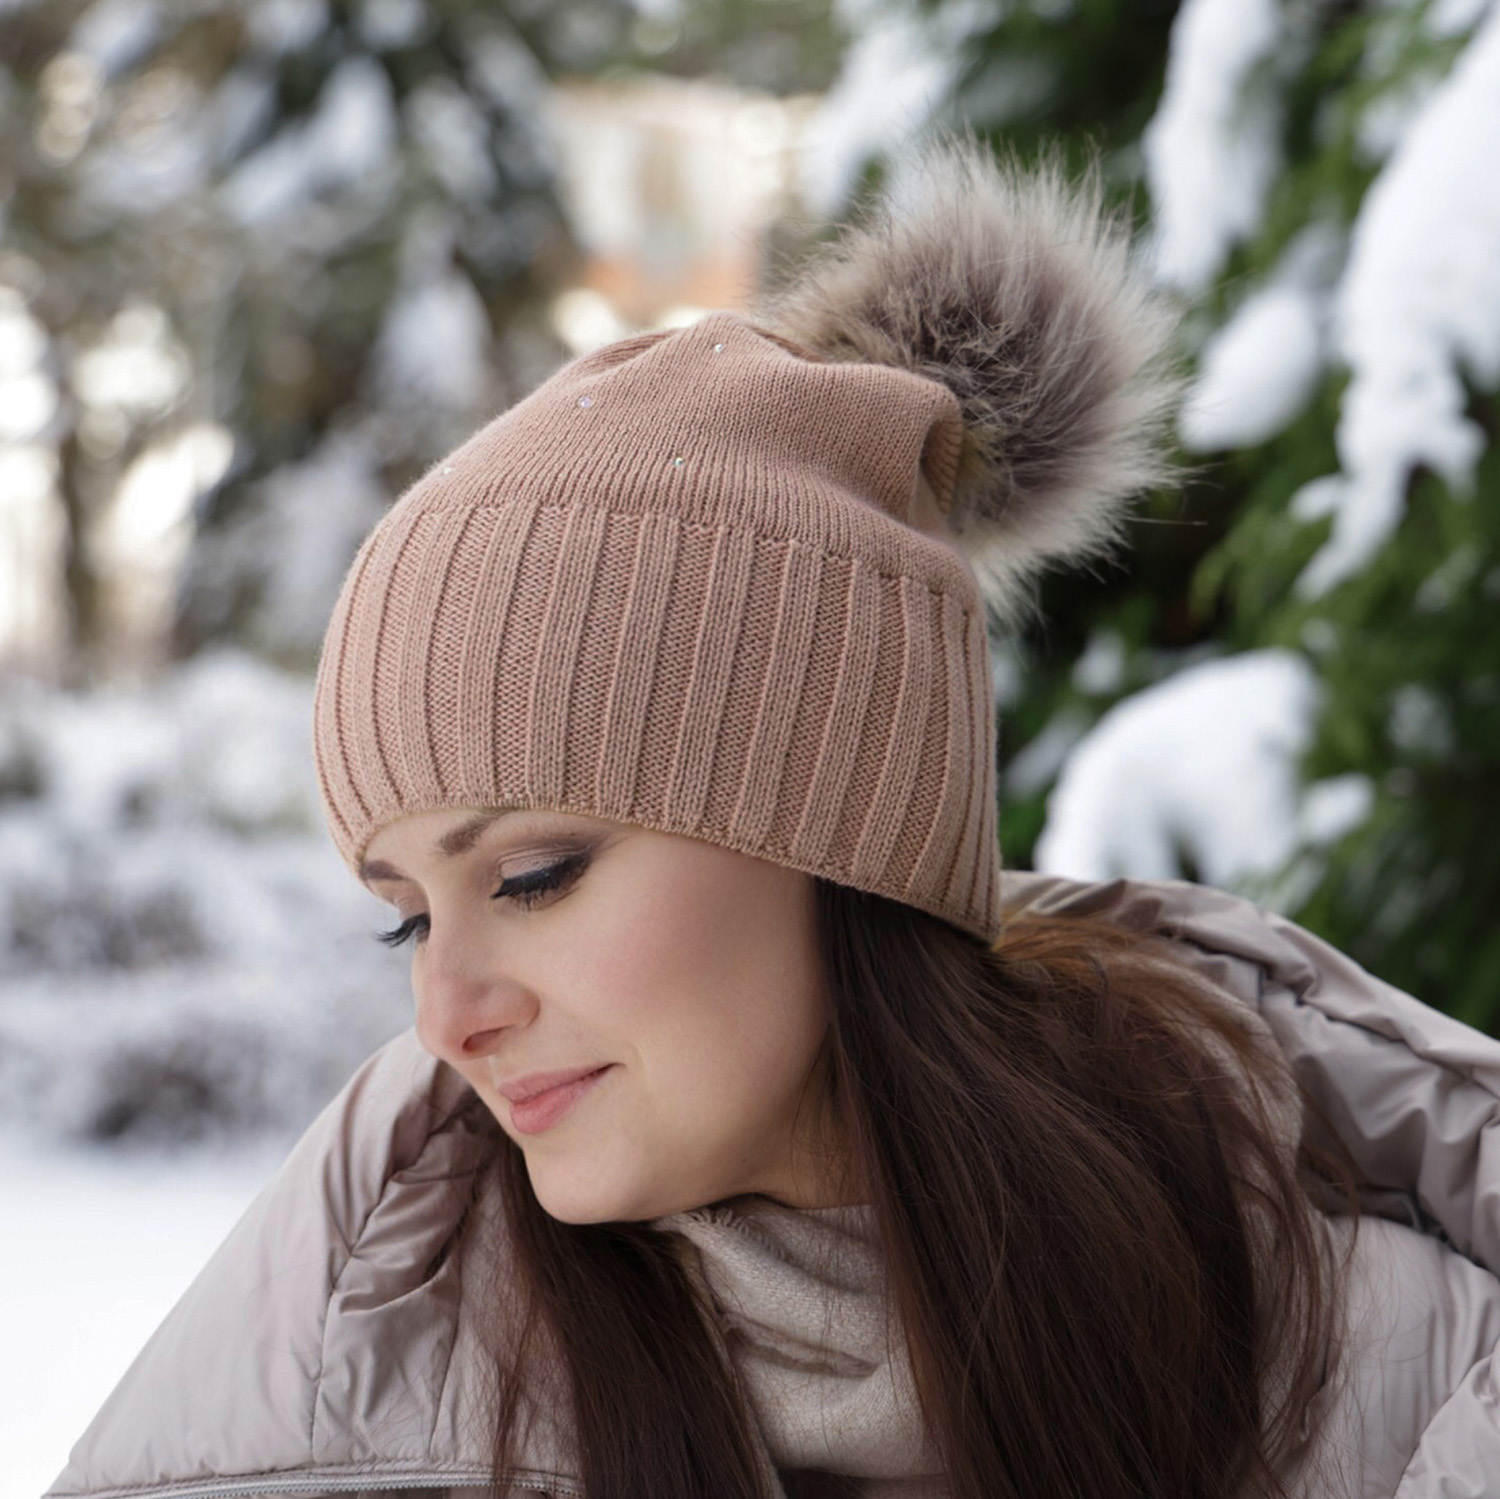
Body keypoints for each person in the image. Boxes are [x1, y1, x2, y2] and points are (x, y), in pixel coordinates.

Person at [44, 134, 1500, 1499]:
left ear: (842, 831)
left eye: (536, 874)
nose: (446, 1013)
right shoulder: (354, 1376)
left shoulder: (1391, 1374)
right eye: (407, 917)